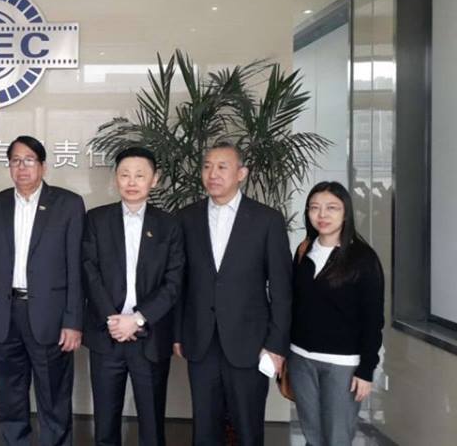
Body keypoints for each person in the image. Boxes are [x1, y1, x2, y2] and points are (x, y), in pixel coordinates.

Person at [174, 141, 291, 446]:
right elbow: (179, 282)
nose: (212, 173)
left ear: (241, 173)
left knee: (248, 428)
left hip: (250, 343)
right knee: (204, 428)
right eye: (207, 166)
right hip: (200, 340)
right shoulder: (186, 218)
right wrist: (178, 334)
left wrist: (276, 345)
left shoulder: (267, 220)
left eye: (222, 167)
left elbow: (282, 289)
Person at [0, 135, 85, 446]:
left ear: (43, 166)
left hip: (51, 317)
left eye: (29, 160)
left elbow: (76, 267)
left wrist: (73, 321)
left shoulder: (68, 204)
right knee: (10, 397)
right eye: (16, 161)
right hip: (4, 314)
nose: (22, 167)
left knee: (54, 397)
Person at [82, 146, 185, 446]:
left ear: (155, 179)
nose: (131, 181)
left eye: (140, 175)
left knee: (152, 427)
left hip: (149, 338)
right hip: (107, 336)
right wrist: (114, 320)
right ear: (115, 178)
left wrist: (138, 319)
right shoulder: (96, 219)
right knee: (105, 426)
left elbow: (173, 282)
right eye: (125, 174)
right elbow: (89, 272)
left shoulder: (169, 225)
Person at [288, 181, 384, 446]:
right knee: (312, 436)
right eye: (314, 208)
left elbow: (373, 319)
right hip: (301, 359)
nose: (322, 215)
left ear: (346, 213)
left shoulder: (363, 258)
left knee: (337, 437)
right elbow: (294, 304)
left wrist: (366, 370)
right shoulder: (304, 250)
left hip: (342, 365)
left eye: (332, 208)